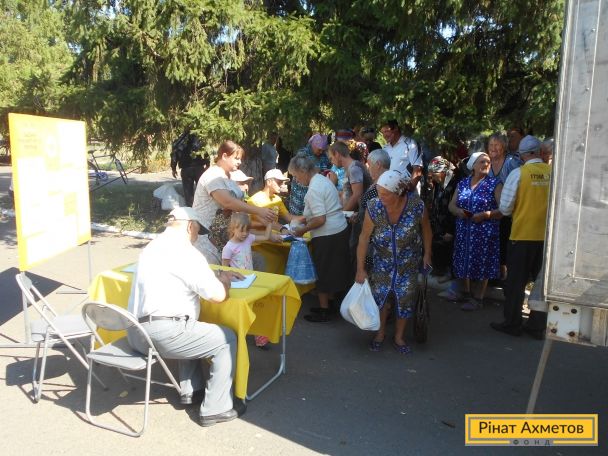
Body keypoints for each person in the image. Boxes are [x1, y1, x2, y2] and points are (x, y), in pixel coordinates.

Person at [127, 207, 245, 427]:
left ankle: (192, 390)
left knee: (190, 325)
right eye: (198, 231)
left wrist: (215, 274)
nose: (197, 237)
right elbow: (218, 296)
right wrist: (224, 281)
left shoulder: (151, 247)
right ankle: (216, 408)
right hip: (162, 335)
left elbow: (178, 275)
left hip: (135, 332)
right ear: (190, 226)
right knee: (225, 338)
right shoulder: (187, 253)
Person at [356, 170, 432, 354]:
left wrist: (427, 255)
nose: (380, 197)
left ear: (398, 193)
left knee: (405, 298)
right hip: (382, 261)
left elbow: (427, 231)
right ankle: (380, 334)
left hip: (409, 261)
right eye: (379, 192)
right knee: (381, 297)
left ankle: (399, 337)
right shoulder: (374, 206)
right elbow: (364, 238)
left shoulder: (416, 206)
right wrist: (360, 268)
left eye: (385, 194)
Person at [491, 135, 551, 339]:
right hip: (546, 239)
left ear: (522, 155)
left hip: (522, 235)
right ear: (540, 152)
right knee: (542, 285)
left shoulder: (518, 174)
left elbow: (505, 208)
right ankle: (537, 326)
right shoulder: (553, 174)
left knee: (516, 283)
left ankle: (512, 323)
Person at [289, 154, 352, 323]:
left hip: (327, 234)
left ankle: (324, 310)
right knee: (332, 270)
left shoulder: (314, 189)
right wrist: (303, 220)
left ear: (303, 171)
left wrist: (302, 230)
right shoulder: (322, 180)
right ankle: (330, 304)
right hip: (337, 229)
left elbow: (320, 219)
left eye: (296, 176)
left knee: (323, 271)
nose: (296, 180)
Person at [192, 140, 275, 264]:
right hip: (207, 241)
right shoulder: (213, 176)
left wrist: (265, 230)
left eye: (240, 159)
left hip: (226, 241)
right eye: (236, 158)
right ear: (224, 156)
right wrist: (259, 211)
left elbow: (238, 213)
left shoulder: (230, 177)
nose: (240, 162)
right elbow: (228, 202)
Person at [449, 152, 503, 310]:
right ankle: (465, 292)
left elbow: (503, 209)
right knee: (463, 260)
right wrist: (458, 211)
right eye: (482, 162)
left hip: (485, 232)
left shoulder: (495, 183)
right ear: (472, 166)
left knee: (482, 262)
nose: (486, 164)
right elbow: (451, 205)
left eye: (488, 162)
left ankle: (478, 298)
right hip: (464, 230)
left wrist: (486, 215)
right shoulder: (463, 183)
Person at [222, 212, 279, 349]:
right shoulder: (228, 247)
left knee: (255, 307)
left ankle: (257, 334)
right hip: (237, 284)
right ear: (233, 229)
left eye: (247, 230)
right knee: (243, 309)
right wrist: (232, 279)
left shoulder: (248, 239)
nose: (245, 234)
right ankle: (237, 333)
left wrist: (269, 224)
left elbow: (266, 237)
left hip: (249, 281)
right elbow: (224, 268)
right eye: (241, 230)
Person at [487, 132, 522, 280]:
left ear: (504, 146)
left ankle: (504, 275)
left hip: (508, 212)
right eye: (490, 145)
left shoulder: (511, 162)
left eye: (497, 145)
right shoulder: (486, 162)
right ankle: (491, 274)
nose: (493, 148)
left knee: (504, 242)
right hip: (489, 212)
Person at [423, 156, 458, 279]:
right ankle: (439, 270)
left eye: (434, 174)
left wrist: (450, 230)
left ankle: (449, 273)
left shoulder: (455, 184)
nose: (432, 177)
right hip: (438, 224)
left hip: (450, 225)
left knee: (449, 248)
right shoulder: (438, 184)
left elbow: (455, 209)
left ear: (443, 172)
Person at [288, 133, 331, 215]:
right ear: (313, 145)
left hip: (316, 189)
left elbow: (328, 169)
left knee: (313, 214)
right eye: (319, 149)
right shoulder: (303, 154)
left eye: (323, 150)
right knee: (299, 214)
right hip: (301, 189)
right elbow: (299, 171)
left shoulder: (324, 155)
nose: (321, 152)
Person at [328, 141, 371, 211]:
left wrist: (344, 213)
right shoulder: (349, 168)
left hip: (361, 213)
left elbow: (357, 195)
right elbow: (347, 193)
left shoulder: (354, 169)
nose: (331, 162)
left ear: (337, 154)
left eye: (331, 158)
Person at [170, 131, 207, 206]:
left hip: (186, 169)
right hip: (199, 168)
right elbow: (205, 152)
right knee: (202, 189)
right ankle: (202, 206)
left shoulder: (178, 142)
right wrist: (207, 163)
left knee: (188, 192)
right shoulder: (198, 140)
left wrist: (173, 168)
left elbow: (174, 156)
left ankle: (190, 208)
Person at [380, 119, 423, 185]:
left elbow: (417, 169)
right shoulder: (385, 148)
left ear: (396, 128)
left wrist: (410, 188)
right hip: (388, 188)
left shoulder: (411, 144)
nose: (384, 135)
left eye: (386, 131)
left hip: (408, 188)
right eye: (383, 133)